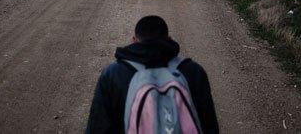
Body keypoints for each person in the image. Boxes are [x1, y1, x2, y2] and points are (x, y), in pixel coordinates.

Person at [86, 16, 219, 134]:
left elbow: (98, 127)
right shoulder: (193, 71)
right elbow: (209, 125)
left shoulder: (113, 74)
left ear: (134, 41)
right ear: (169, 39)